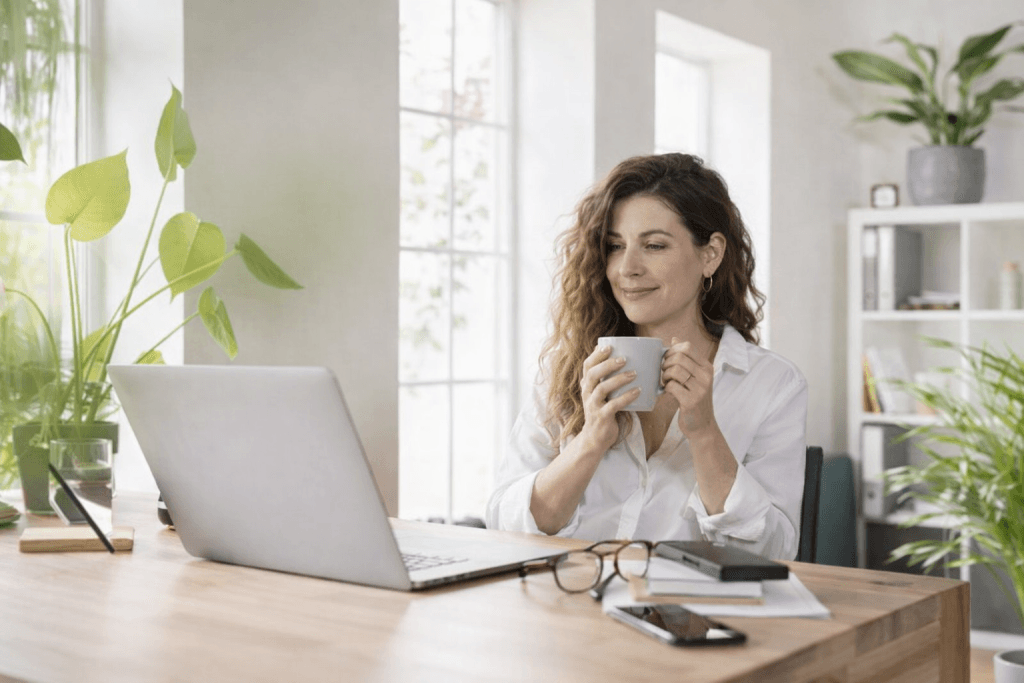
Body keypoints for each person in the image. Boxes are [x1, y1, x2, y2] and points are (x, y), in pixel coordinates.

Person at [485, 153, 807, 560]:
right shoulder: (566, 370)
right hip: (569, 594)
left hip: (686, 600)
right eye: (615, 246)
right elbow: (504, 525)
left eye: (654, 245)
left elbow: (775, 550)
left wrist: (704, 432)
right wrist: (591, 440)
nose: (628, 268)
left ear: (710, 254)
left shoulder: (773, 384)